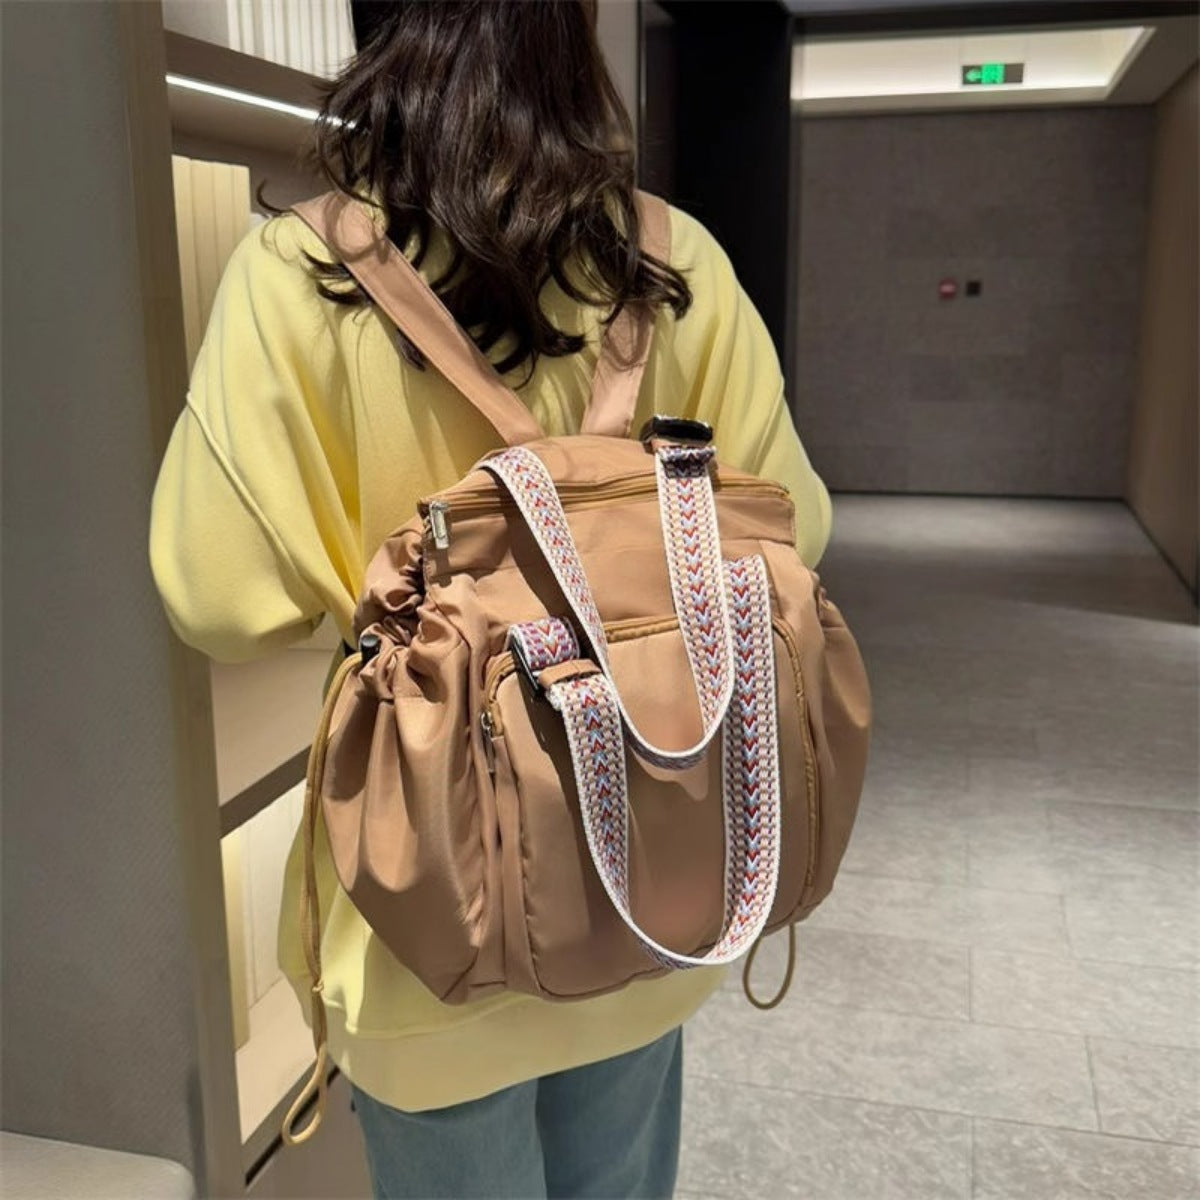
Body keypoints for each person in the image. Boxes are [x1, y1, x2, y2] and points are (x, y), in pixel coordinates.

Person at [149, 2, 831, 1196]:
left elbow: (216, 592)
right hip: (651, 884)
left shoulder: (300, 273)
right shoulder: (673, 264)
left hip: (430, 928)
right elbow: (798, 530)